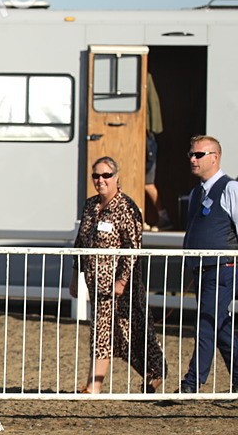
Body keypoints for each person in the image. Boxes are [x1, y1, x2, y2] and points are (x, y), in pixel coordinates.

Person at [70, 156, 166, 393]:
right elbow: (80, 243)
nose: (100, 180)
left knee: (132, 332)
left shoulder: (126, 207)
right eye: (96, 175)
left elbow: (134, 247)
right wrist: (75, 275)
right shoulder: (90, 206)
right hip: (98, 286)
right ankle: (96, 385)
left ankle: (155, 371)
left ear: (116, 177)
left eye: (106, 175)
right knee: (104, 331)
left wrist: (122, 281)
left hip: (123, 287)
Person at [179, 135, 238, 393]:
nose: (193, 159)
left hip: (223, 268)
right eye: (191, 154)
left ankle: (192, 384)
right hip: (201, 270)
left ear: (215, 157)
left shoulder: (231, 189)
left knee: (205, 323)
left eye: (199, 155)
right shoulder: (195, 193)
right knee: (221, 328)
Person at [143, 72, 173, 230]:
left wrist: (151, 128)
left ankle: (163, 217)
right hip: (147, 137)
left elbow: (152, 105)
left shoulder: (144, 77)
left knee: (147, 183)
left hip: (146, 139)